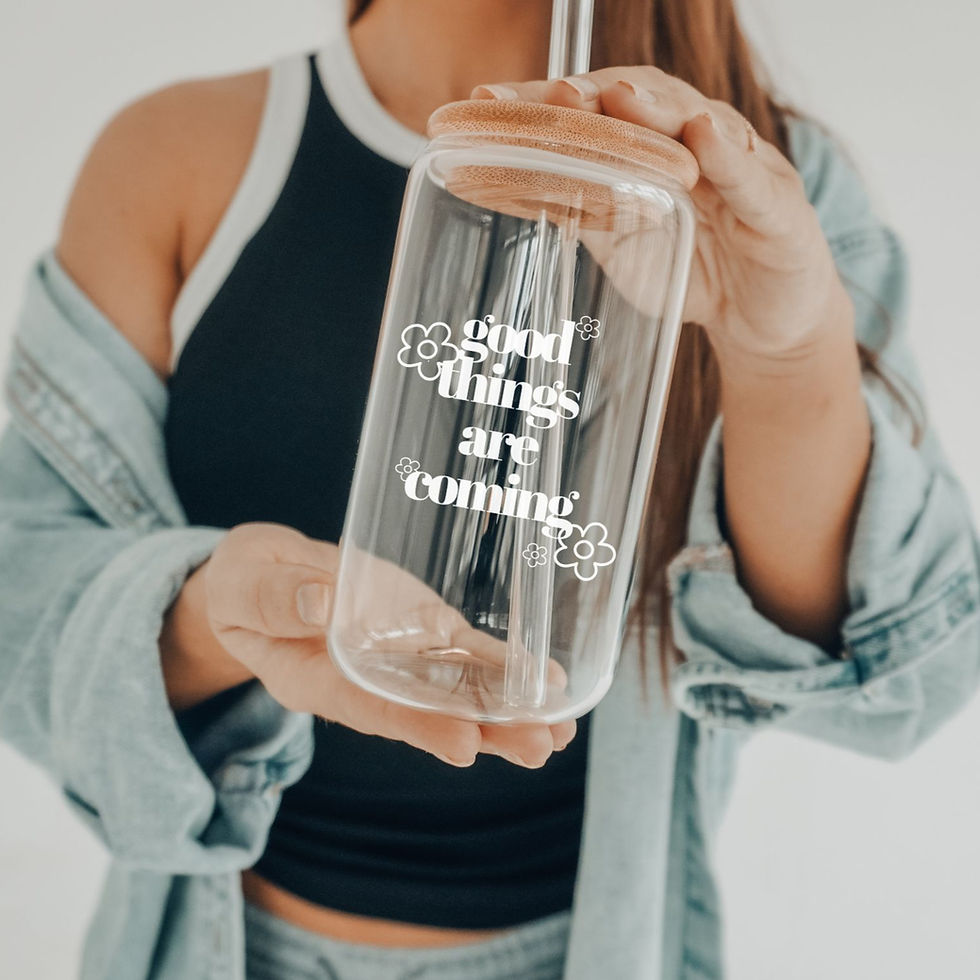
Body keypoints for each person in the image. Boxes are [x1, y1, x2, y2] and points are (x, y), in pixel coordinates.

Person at [2, 0, 978, 978]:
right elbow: (23, 602)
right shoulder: (180, 155)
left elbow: (885, 683)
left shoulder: (755, 187)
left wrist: (781, 347)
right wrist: (216, 609)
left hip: (589, 949)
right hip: (215, 945)